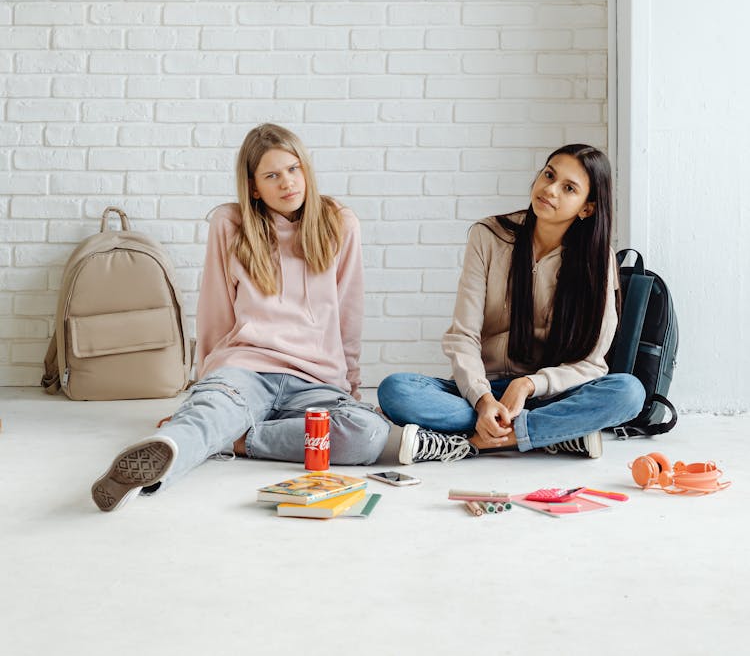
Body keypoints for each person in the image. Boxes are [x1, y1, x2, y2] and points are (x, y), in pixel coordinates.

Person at [91, 123, 389, 511]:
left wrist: (350, 387)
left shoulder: (339, 224)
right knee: (206, 415)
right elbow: (214, 312)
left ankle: (234, 439)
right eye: (272, 175)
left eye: (294, 169)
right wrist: (203, 386)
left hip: (316, 382)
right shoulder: (230, 225)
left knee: (367, 434)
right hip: (245, 371)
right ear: (253, 187)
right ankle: (154, 468)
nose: (287, 183)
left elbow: (349, 313)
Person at [377, 143, 645, 463]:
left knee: (629, 393)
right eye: (549, 175)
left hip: (551, 395)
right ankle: (554, 435)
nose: (550, 189)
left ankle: (473, 441)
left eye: (568, 188)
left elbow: (591, 363)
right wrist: (483, 400)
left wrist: (529, 384)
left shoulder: (597, 262)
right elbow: (464, 335)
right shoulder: (488, 236)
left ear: (587, 208)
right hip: (483, 391)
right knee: (396, 390)